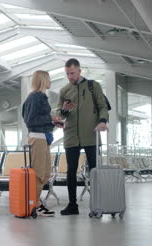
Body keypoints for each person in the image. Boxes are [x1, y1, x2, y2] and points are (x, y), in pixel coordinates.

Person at [55, 58, 109, 215]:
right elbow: (59, 113)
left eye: (72, 73)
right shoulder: (64, 90)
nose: (70, 76)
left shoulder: (94, 86)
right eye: (67, 74)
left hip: (92, 134)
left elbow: (103, 107)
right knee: (71, 170)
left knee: (94, 170)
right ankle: (72, 205)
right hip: (71, 135)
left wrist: (103, 121)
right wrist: (63, 111)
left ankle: (98, 203)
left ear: (79, 71)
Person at [22, 70, 63, 217]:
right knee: (39, 173)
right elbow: (30, 120)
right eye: (48, 79)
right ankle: (34, 205)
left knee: (45, 173)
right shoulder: (35, 97)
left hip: (43, 138)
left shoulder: (41, 97)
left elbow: (40, 119)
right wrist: (51, 120)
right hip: (37, 138)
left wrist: (54, 122)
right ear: (43, 80)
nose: (50, 81)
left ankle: (36, 203)